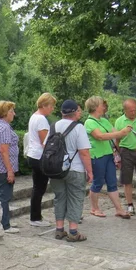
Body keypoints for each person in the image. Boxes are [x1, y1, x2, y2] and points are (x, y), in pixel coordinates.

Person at [48, 100, 93, 242]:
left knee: (59, 197)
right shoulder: (78, 128)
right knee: (76, 198)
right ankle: (73, 232)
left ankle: (59, 230)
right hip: (75, 169)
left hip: (55, 169)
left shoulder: (54, 126)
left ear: (62, 112)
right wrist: (90, 172)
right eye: (79, 110)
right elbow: (84, 152)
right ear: (75, 112)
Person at [84, 96, 132, 219]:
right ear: (95, 107)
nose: (104, 106)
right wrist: (120, 133)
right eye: (101, 104)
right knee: (98, 182)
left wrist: (124, 131)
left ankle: (119, 209)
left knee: (112, 182)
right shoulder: (89, 122)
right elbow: (100, 136)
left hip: (108, 155)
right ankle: (94, 208)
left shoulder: (104, 120)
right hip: (97, 156)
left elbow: (114, 132)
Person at [0, 101, 20, 234]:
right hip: (2, 167)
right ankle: (5, 225)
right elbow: (4, 150)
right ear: (5, 113)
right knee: (4, 196)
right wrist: (10, 170)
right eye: (12, 111)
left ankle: (0, 220)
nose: (14, 114)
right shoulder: (4, 128)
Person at [25, 93, 57, 227]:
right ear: (44, 105)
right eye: (51, 106)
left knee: (37, 187)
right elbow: (45, 141)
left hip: (32, 154)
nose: (52, 109)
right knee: (40, 188)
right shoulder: (42, 120)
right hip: (39, 156)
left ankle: (35, 216)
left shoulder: (34, 116)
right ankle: (35, 218)